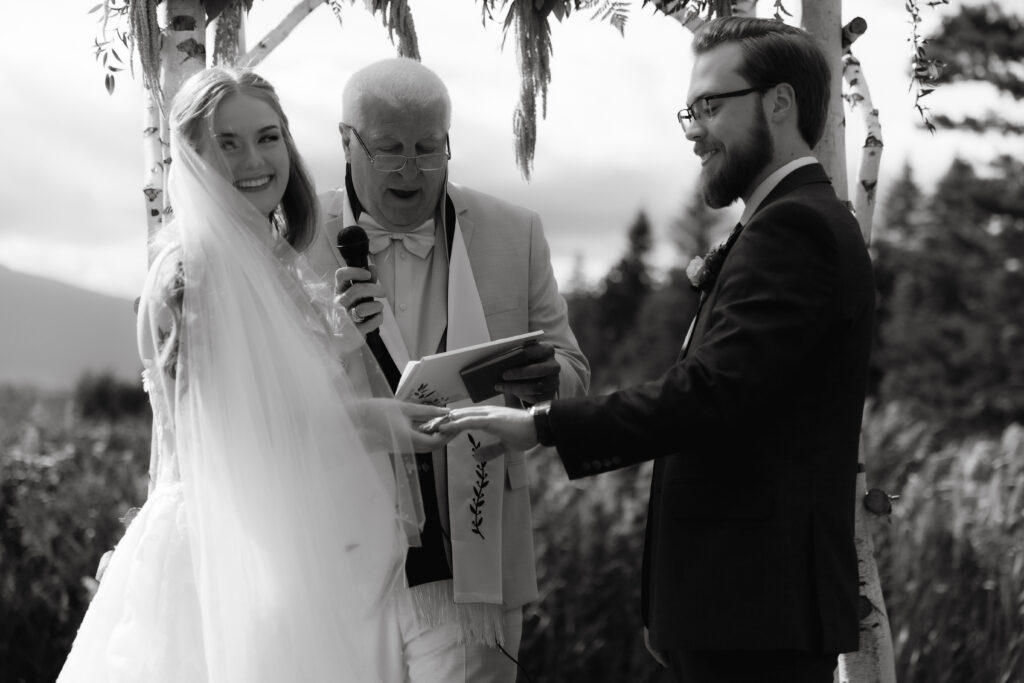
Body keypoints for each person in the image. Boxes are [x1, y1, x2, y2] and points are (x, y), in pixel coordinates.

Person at [436, 17, 875, 683]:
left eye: (710, 105)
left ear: (780, 103)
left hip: (756, 611)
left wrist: (542, 425)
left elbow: (710, 393)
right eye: (689, 112)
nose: (693, 130)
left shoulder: (795, 227)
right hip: (743, 609)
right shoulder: (787, 219)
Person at [58, 66, 443, 683]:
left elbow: (280, 391)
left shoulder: (271, 261)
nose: (254, 160)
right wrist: (372, 421)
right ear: (190, 158)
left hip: (305, 549)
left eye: (267, 137)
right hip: (232, 556)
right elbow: (241, 436)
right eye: (227, 144)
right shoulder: (193, 273)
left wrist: (346, 338)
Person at [304, 58, 590, 683]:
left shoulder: (517, 232)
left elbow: (573, 371)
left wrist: (547, 382)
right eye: (389, 149)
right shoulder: (293, 238)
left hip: (472, 558)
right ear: (346, 142)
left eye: (429, 148)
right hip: (334, 553)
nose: (412, 170)